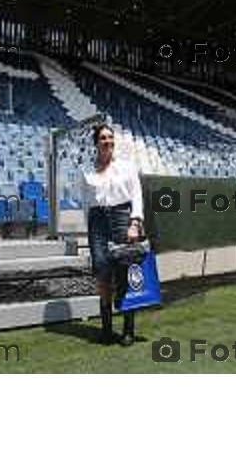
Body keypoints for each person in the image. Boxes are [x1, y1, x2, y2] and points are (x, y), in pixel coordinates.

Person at [81, 123, 144, 346]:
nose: (108, 141)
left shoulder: (127, 166)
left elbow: (136, 195)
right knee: (103, 275)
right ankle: (106, 330)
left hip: (121, 217)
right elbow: (86, 202)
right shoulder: (87, 171)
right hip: (97, 222)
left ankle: (128, 330)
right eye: (103, 138)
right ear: (96, 143)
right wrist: (88, 227)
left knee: (124, 274)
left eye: (110, 137)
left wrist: (134, 222)